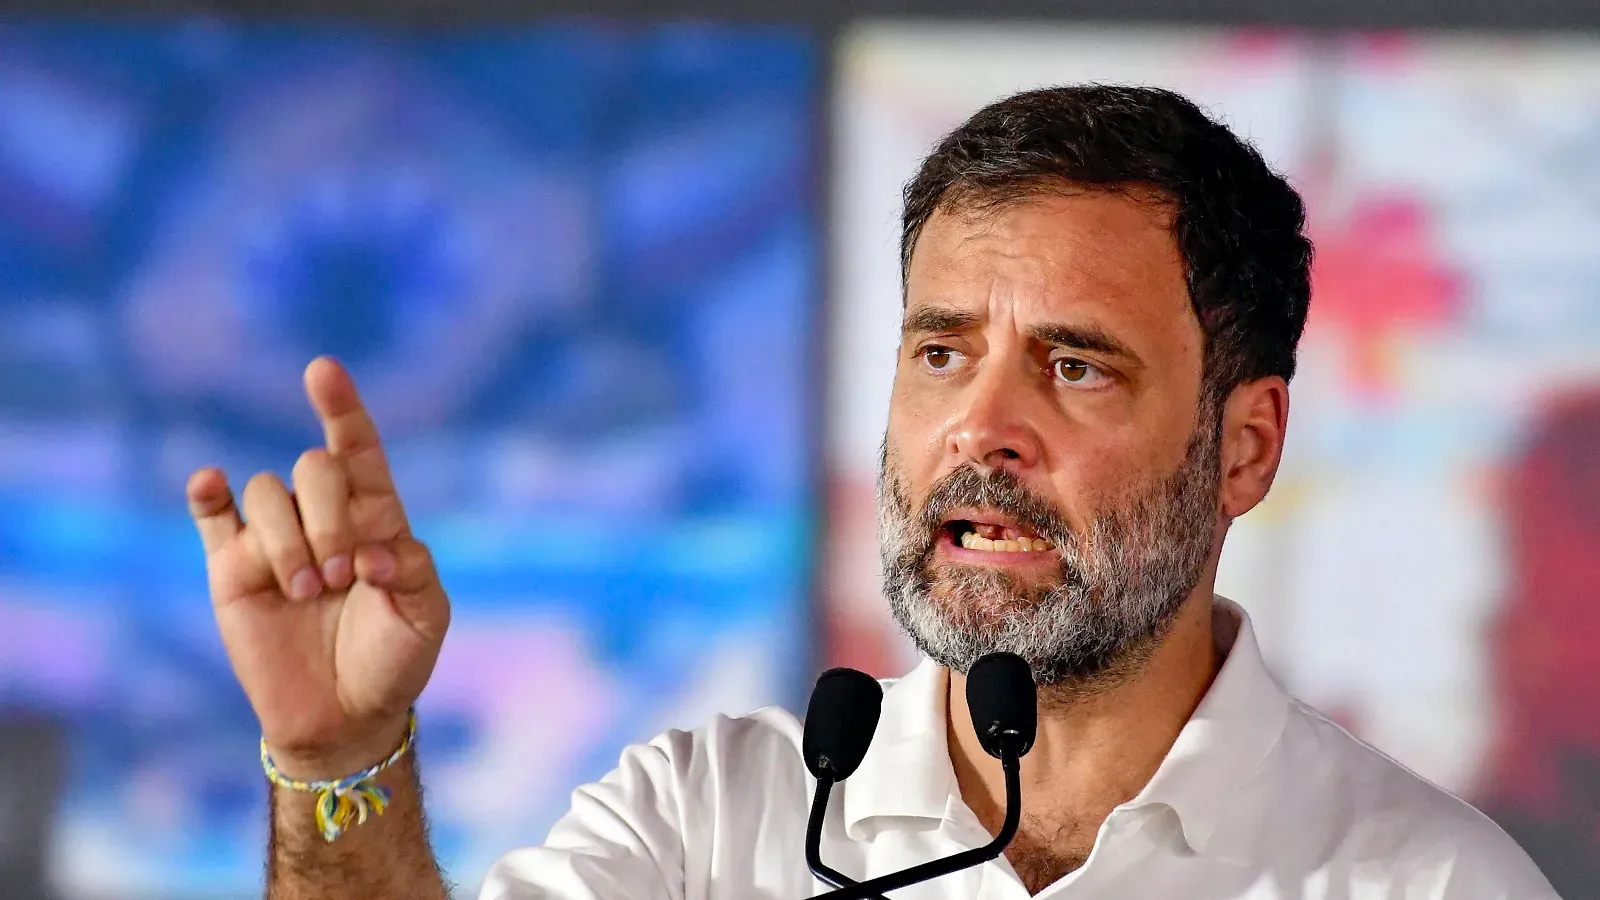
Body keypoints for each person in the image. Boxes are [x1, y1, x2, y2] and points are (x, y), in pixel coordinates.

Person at [187, 85, 1559, 899]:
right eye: (942, 352)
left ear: (1246, 448)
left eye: (1075, 368)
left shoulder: (1423, 882)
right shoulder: (710, 819)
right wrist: (335, 757)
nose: (981, 428)